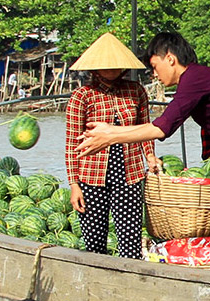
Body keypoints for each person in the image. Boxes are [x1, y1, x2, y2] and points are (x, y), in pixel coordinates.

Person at [76, 31, 210, 278]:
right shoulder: (203, 77)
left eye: (154, 66)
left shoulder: (193, 78)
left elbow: (161, 128)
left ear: (169, 58)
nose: (154, 75)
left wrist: (111, 134)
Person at [65, 32, 159, 259]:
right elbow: (71, 143)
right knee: (94, 241)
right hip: (92, 175)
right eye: (105, 67)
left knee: (130, 240)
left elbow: (144, 130)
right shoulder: (82, 96)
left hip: (130, 172)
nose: (110, 70)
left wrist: (151, 157)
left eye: (115, 66)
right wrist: (74, 184)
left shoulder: (136, 91)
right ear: (94, 69)